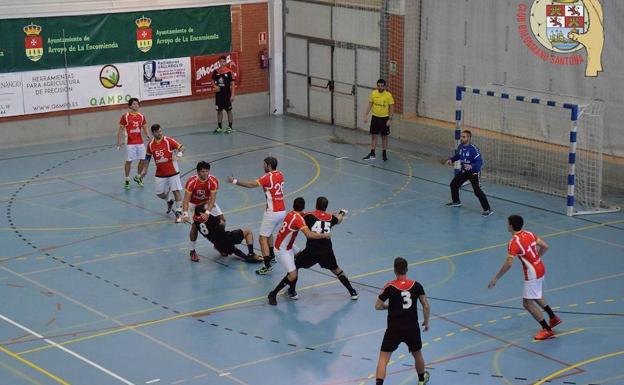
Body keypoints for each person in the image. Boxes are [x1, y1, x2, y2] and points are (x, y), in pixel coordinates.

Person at [488, 215, 562, 340]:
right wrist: (536, 258)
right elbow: (545, 246)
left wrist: (496, 278)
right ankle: (553, 318)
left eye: (507, 223)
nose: (507, 225)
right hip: (540, 267)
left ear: (511, 226)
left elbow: (509, 263)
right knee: (536, 294)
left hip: (532, 273)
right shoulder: (529, 234)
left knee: (527, 303)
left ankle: (547, 330)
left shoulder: (513, 242)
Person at [375, 257, 430, 385]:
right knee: (417, 354)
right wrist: (426, 322)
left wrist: (389, 306)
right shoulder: (416, 285)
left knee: (383, 359)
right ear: (407, 269)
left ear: (394, 270)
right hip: (412, 328)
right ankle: (421, 380)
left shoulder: (389, 286)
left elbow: (377, 306)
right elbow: (426, 305)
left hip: (394, 329)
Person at [267, 197, 331, 306]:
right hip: (282, 249)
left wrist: (328, 215)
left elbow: (310, 214)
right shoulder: (299, 219)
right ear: (303, 207)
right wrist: (325, 235)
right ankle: (272, 294)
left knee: (299, 261)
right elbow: (309, 235)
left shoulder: (292, 214)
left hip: (287, 244)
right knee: (292, 275)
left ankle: (291, 291)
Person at [227, 156, 286, 275]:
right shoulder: (280, 174)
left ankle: (267, 265)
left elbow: (251, 185)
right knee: (268, 233)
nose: (262, 166)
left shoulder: (267, 177)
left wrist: (235, 181)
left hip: (272, 212)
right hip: (282, 211)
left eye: (264, 164)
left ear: (269, 166)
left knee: (262, 238)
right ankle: (272, 256)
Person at [293, 196, 358, 300]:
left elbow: (299, 215)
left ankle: (292, 290)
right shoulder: (331, 218)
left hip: (312, 250)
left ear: (316, 205)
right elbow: (339, 220)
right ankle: (352, 291)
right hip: (326, 251)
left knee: (295, 265)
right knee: (337, 270)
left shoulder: (309, 215)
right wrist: (341, 213)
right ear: (326, 207)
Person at [444, 129, 493, 217]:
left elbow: (479, 162)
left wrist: (471, 166)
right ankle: (456, 201)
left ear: (469, 138)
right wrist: (451, 159)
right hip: (464, 171)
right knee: (453, 184)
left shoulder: (473, 149)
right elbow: (458, 155)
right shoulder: (460, 147)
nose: (461, 138)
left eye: (464, 137)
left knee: (477, 191)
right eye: (461, 137)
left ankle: (487, 210)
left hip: (473, 173)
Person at [182, 161, 224, 262]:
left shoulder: (212, 180)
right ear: (198, 172)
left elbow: (213, 199)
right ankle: (192, 251)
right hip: (194, 205)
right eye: (203, 171)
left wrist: (207, 213)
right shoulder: (192, 182)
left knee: (222, 221)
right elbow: (186, 201)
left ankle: (218, 244)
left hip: (207, 202)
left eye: (207, 171)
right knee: (195, 227)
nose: (205, 173)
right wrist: (185, 214)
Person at [192, 205, 262, 263]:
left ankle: (226, 251)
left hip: (217, 244)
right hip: (226, 239)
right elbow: (222, 222)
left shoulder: (196, 223)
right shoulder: (210, 218)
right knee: (248, 232)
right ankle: (251, 254)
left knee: (232, 249)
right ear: (202, 213)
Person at [146, 124, 185, 223]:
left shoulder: (168, 140)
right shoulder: (150, 144)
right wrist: (144, 170)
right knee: (160, 193)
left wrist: (179, 155)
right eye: (157, 132)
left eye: (160, 131)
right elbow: (147, 157)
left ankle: (178, 211)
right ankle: (169, 201)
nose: (160, 133)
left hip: (173, 171)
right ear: (153, 133)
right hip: (160, 172)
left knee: (175, 190)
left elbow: (181, 147)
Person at [116, 97, 150, 189]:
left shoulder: (141, 116)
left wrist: (147, 134)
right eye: (134, 104)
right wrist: (118, 142)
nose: (136, 105)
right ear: (130, 105)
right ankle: (127, 179)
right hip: (130, 143)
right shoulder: (125, 116)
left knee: (143, 159)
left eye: (137, 104)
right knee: (129, 161)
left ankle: (138, 177)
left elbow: (145, 127)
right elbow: (120, 130)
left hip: (140, 142)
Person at [362, 79, 394, 161]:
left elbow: (391, 108)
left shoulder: (388, 95)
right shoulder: (374, 93)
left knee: (384, 137)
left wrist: (389, 119)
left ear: (385, 86)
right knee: (373, 136)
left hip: (384, 118)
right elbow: (370, 105)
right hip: (375, 117)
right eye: (378, 86)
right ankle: (372, 153)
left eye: (382, 86)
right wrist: (366, 115)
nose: (380, 87)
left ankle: (384, 153)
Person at [212, 55, 235, 134]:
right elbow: (212, 81)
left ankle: (230, 127)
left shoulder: (229, 72)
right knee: (219, 111)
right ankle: (219, 127)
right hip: (219, 95)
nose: (222, 63)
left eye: (223, 61)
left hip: (227, 94)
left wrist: (232, 95)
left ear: (225, 62)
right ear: (219, 62)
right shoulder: (216, 72)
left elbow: (232, 84)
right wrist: (215, 86)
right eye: (220, 62)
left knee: (229, 110)